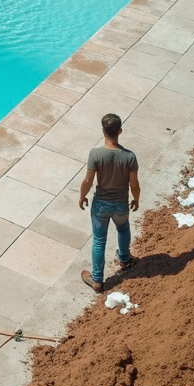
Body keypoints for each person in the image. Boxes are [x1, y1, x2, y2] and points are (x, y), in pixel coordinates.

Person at [78, 113, 140, 293]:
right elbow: (134, 184)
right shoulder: (130, 157)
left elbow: (88, 181)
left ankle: (97, 279)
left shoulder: (95, 154)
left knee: (99, 241)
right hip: (120, 204)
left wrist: (82, 196)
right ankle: (125, 259)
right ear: (120, 131)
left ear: (103, 131)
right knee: (123, 229)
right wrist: (136, 199)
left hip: (100, 206)